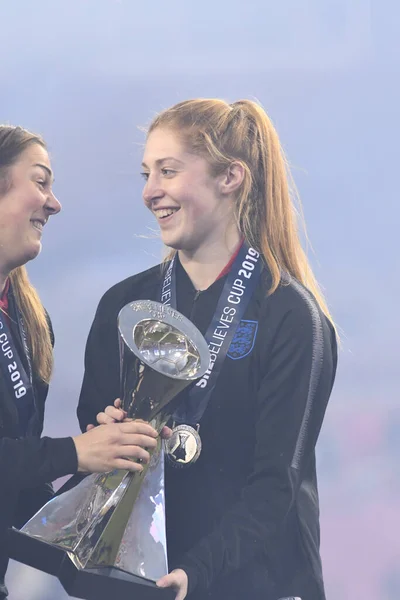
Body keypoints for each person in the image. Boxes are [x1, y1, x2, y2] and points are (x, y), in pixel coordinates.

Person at [77, 99, 338, 600]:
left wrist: (198, 571)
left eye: (168, 171)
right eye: (146, 173)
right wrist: (108, 434)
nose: (151, 191)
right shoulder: (124, 305)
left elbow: (276, 482)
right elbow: (93, 437)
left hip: (255, 584)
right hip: (144, 581)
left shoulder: (289, 315)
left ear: (230, 177)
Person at [0, 125, 166, 600]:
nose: (55, 203)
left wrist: (113, 458)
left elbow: (20, 498)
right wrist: (76, 451)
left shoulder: (30, 321)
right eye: (41, 181)